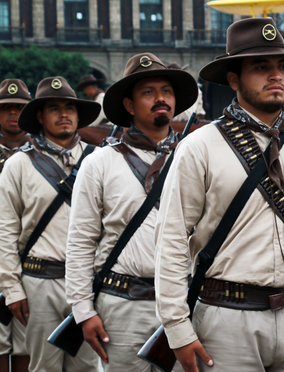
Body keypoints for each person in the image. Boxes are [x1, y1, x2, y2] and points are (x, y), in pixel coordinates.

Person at [153, 17, 284, 372]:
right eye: (261, 67)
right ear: (233, 78)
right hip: (226, 319)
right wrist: (177, 327)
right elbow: (171, 238)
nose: (277, 76)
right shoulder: (199, 147)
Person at [66, 53, 197, 371]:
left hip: (184, 305)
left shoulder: (194, 158)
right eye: (148, 92)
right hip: (121, 305)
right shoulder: (99, 162)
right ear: (128, 104)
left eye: (166, 90)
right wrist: (83, 311)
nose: (160, 99)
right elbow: (81, 242)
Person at [0, 76, 100, 372]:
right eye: (54, 108)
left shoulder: (100, 160)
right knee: (42, 367)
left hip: (88, 282)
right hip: (39, 282)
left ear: (79, 114)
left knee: (87, 367)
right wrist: (12, 288)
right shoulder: (18, 164)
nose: (64, 114)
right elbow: (5, 230)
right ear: (40, 117)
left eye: (70, 107)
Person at [0, 79, 32, 372]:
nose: (13, 113)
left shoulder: (42, 158)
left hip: (31, 266)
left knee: (26, 347)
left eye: (19, 108)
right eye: (6, 108)